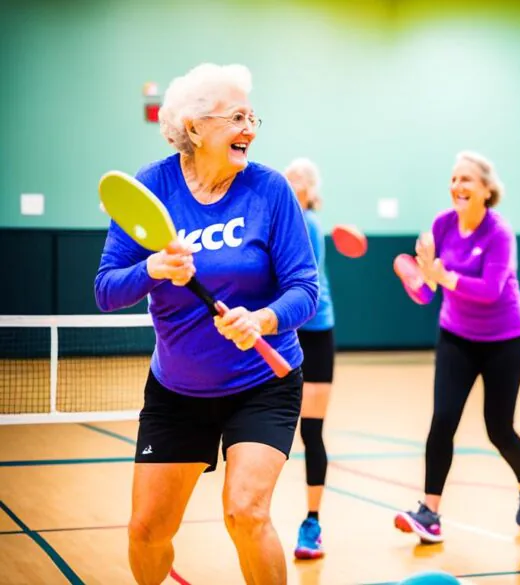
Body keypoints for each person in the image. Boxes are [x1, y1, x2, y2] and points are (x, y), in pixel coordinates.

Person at [94, 63, 319, 585]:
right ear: (194, 128)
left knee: (247, 511)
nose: (250, 129)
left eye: (252, 116)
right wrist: (153, 269)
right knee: (146, 529)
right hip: (178, 390)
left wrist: (263, 319)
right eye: (236, 117)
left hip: (262, 383)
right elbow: (106, 289)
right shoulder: (152, 188)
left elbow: (305, 289)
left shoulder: (271, 190)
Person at [392, 151, 520, 544]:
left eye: (467, 180)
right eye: (454, 179)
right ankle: (430, 513)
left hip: (504, 339)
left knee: (499, 429)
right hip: (456, 335)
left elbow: (491, 291)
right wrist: (419, 278)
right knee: (443, 421)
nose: (457, 186)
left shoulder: (499, 233)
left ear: (487, 190)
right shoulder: (442, 225)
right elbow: (428, 293)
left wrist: (443, 276)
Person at [284, 158, 336, 560]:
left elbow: (303, 282)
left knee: (311, 431)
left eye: (300, 177)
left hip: (314, 333)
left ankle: (312, 521)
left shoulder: (310, 224)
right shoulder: (277, 221)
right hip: (281, 333)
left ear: (310, 189)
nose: (292, 179)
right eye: (289, 174)